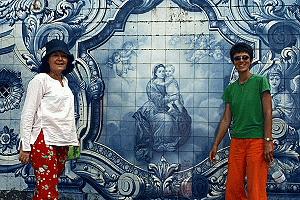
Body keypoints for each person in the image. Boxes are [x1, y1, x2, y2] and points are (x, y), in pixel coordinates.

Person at [209, 42, 274, 200]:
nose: (241, 61)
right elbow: (226, 120)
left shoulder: (260, 81)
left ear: (250, 61)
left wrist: (268, 141)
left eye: (245, 57)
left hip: (257, 142)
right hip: (237, 143)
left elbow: (268, 112)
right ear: (233, 62)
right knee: (233, 188)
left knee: (255, 188)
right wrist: (216, 144)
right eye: (237, 58)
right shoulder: (231, 89)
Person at [18, 39, 79, 200]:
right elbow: (28, 114)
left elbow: (67, 115)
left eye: (64, 56)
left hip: (62, 141)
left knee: (48, 185)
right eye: (55, 55)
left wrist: (73, 142)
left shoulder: (65, 82)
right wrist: (25, 146)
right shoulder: (40, 80)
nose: (60, 59)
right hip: (43, 140)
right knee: (48, 189)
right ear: (47, 59)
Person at [133, 64, 191, 162]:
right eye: (159, 71)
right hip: (154, 108)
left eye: (163, 71)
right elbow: (157, 100)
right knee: (166, 120)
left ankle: (170, 142)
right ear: (155, 73)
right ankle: (158, 143)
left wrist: (176, 99)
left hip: (168, 106)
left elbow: (175, 92)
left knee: (183, 117)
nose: (162, 73)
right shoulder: (152, 84)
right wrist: (171, 98)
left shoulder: (168, 81)